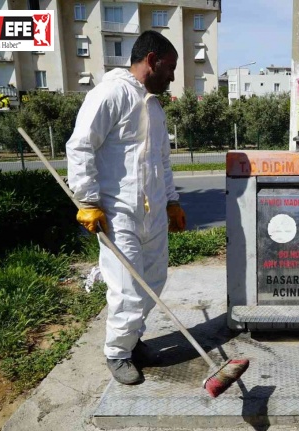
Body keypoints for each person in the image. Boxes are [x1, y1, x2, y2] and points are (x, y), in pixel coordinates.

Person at [66, 30, 186, 385]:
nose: (173, 76)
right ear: (151, 60)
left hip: (153, 214)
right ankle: (117, 353)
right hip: (119, 215)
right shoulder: (110, 94)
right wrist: (87, 201)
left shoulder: (153, 105)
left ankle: (131, 340)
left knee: (153, 281)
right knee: (126, 288)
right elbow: (80, 147)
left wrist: (173, 201)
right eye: (170, 67)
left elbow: (162, 161)